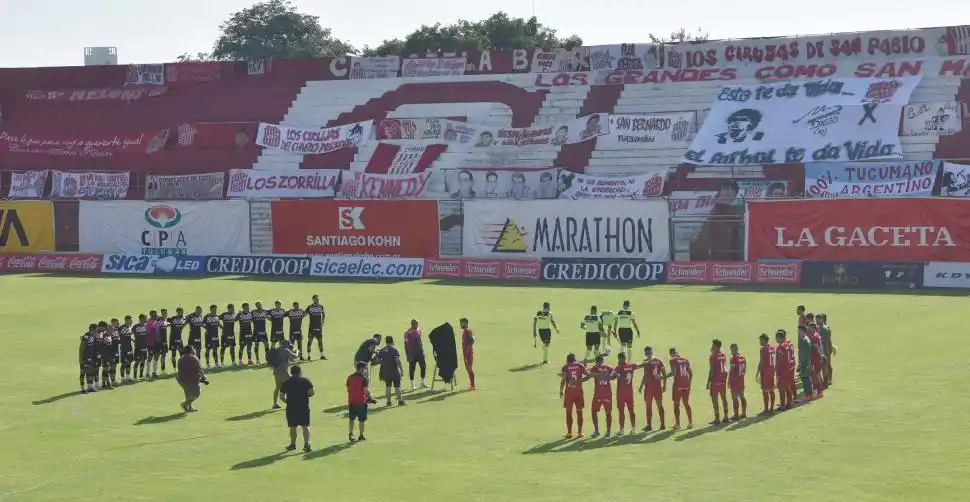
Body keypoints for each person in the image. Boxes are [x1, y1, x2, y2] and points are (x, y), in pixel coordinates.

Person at [280, 365, 314, 453]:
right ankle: (306, 444)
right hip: (303, 407)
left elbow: (282, 396)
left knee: (292, 427)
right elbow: (312, 392)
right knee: (305, 426)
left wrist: (286, 401)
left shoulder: (286, 382)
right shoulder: (305, 381)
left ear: (291, 372)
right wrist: (306, 396)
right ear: (300, 372)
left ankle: (293, 444)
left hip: (291, 408)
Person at [559, 353, 590, 438]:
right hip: (579, 392)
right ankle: (580, 432)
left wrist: (560, 390)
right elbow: (588, 375)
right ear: (575, 359)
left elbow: (563, 380)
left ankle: (569, 433)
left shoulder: (565, 367)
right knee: (579, 412)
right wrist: (580, 381)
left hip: (569, 393)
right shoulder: (580, 366)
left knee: (569, 413)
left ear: (567, 360)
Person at [639, 346, 667, 431]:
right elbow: (664, 373)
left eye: (649, 353)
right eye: (647, 353)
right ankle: (660, 424)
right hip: (655, 387)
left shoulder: (646, 362)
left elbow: (646, 375)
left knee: (651, 406)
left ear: (651, 352)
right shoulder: (658, 361)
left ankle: (652, 425)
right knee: (656, 406)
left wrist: (664, 385)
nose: (648, 354)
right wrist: (641, 386)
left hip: (650, 388)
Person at [589, 355, 614, 437]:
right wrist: (609, 377)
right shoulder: (607, 367)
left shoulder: (595, 367)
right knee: (608, 412)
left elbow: (590, 374)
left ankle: (596, 431)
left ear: (596, 361)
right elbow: (614, 373)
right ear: (602, 360)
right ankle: (608, 431)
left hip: (598, 394)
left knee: (594, 411)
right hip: (607, 393)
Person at [668, 348, 693, 429]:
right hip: (686, 385)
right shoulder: (685, 360)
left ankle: (678, 424)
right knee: (686, 403)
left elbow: (673, 373)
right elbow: (690, 373)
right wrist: (689, 383)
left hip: (677, 386)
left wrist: (661, 377)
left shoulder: (672, 360)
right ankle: (690, 423)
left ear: (671, 354)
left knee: (676, 405)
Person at [613, 352, 638, 434]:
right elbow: (639, 365)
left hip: (621, 393)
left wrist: (616, 375)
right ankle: (633, 428)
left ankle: (622, 429)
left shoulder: (619, 367)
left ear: (620, 358)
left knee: (621, 411)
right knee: (631, 410)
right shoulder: (631, 365)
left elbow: (612, 376)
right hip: (629, 392)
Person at [346, 362, 372, 442]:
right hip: (361, 402)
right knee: (361, 420)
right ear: (361, 369)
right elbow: (365, 391)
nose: (365, 371)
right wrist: (369, 396)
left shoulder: (350, 377)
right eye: (365, 369)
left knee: (351, 419)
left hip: (352, 402)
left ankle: (351, 434)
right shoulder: (363, 379)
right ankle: (361, 435)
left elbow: (348, 389)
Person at [177, 346, 207, 412]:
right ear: (191, 350)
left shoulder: (180, 359)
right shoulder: (194, 358)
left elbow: (179, 369)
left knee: (188, 392)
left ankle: (189, 407)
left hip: (181, 380)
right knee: (197, 393)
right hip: (192, 379)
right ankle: (184, 404)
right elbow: (200, 369)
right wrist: (203, 377)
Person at [378, 336, 405, 406]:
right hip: (394, 371)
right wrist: (401, 370)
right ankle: (400, 401)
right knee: (397, 387)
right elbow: (397, 361)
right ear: (392, 341)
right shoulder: (394, 350)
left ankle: (388, 402)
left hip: (385, 372)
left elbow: (377, 360)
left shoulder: (382, 350)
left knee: (388, 386)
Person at [707, 339, 729, 424]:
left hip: (715, 380)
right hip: (723, 379)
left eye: (713, 345)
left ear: (716, 346)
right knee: (724, 398)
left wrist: (709, 382)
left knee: (714, 398)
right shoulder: (723, 355)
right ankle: (726, 416)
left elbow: (712, 370)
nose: (712, 346)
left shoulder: (713, 356)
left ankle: (717, 418)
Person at [272, 340, 299, 409]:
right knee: (291, 386)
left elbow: (288, 359)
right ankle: (290, 402)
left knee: (277, 387)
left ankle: (275, 404)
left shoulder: (277, 350)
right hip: (283, 372)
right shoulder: (286, 350)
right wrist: (297, 351)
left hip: (276, 372)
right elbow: (295, 357)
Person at [775, 329, 797, 410]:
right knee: (787, 387)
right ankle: (789, 402)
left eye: (776, 337)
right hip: (788, 369)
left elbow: (781, 360)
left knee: (781, 388)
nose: (776, 339)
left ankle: (782, 405)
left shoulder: (780, 347)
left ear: (780, 338)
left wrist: (777, 370)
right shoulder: (788, 345)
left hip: (782, 370)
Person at [755, 334, 776, 414]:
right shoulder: (772, 349)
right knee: (771, 390)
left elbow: (762, 361)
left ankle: (766, 409)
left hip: (765, 372)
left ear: (764, 340)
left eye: (760, 340)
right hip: (771, 371)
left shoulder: (763, 349)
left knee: (765, 391)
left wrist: (758, 371)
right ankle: (771, 408)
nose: (759, 341)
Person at [403, 319, 427, 389]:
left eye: (417, 324)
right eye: (416, 324)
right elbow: (405, 344)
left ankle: (422, 382)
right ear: (412, 324)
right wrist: (407, 355)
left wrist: (422, 350)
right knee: (412, 368)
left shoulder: (418, 330)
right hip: (412, 353)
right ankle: (412, 384)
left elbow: (420, 340)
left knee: (423, 366)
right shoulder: (407, 333)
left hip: (420, 352)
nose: (417, 325)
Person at [728, 343, 747, 421]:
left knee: (734, 398)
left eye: (732, 349)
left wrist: (729, 380)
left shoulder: (733, 359)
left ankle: (736, 415)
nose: (731, 351)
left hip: (734, 381)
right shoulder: (743, 358)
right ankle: (744, 413)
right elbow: (745, 368)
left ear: (735, 349)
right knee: (742, 397)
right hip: (741, 380)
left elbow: (732, 370)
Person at [796, 325, 816, 400]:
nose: (798, 333)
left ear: (803, 331)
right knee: (805, 377)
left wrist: (802, 364)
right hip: (805, 361)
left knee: (805, 378)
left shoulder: (804, 340)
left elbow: (805, 353)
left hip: (805, 362)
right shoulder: (805, 339)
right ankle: (808, 394)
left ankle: (809, 394)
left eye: (799, 331)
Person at [79, 324, 99, 393]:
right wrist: (81, 360)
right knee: (83, 373)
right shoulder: (86, 337)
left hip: (90, 358)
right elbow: (81, 349)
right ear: (92, 330)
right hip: (84, 359)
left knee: (90, 373)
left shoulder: (92, 336)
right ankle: (82, 389)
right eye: (96, 329)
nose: (97, 331)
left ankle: (90, 387)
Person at [807, 320, 825, 397]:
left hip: (816, 358)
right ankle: (818, 390)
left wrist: (820, 355)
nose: (808, 328)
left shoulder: (814, 336)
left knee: (816, 375)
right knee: (816, 375)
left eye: (809, 327)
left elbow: (817, 347)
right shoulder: (815, 334)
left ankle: (819, 391)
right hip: (815, 357)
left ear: (813, 328)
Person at [306, 295, 326, 360]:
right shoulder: (309, 307)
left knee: (320, 341)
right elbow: (305, 314)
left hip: (319, 327)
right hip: (312, 327)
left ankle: (322, 355)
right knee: (310, 341)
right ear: (313, 299)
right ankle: (309, 356)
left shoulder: (321, 307)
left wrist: (322, 322)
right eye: (316, 299)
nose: (317, 300)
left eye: (318, 299)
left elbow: (323, 314)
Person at [97, 325, 116, 390]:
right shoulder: (105, 337)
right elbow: (102, 347)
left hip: (108, 356)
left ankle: (103, 384)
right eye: (112, 330)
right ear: (108, 329)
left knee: (105, 370)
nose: (113, 331)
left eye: (113, 330)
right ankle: (108, 384)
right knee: (106, 370)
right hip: (105, 356)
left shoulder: (109, 336)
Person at [818, 314, 834, 388]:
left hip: (825, 350)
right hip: (825, 349)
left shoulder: (825, 328)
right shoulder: (822, 327)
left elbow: (826, 341)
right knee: (826, 366)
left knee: (826, 366)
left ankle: (828, 381)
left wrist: (830, 348)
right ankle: (827, 380)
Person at [146, 310, 162, 379]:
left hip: (158, 342)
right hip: (151, 342)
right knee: (150, 357)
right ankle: (147, 373)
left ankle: (154, 373)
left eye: (155, 315)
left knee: (156, 357)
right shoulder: (149, 323)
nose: (154, 316)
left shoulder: (158, 321)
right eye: (153, 315)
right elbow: (147, 332)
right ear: (150, 315)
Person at [460, 317, 475, 391]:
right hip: (466, 353)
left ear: (465, 323)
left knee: (469, 369)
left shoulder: (467, 331)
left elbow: (471, 341)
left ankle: (473, 385)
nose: (460, 324)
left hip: (468, 354)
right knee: (468, 369)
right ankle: (472, 385)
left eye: (462, 323)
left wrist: (467, 352)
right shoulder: (466, 331)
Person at [133, 314, 149, 380]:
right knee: (137, 362)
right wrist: (133, 340)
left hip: (144, 347)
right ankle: (135, 377)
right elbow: (129, 334)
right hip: (138, 348)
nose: (146, 319)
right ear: (141, 319)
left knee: (143, 361)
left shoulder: (146, 326)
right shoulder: (135, 327)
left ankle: (141, 376)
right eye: (145, 318)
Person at [118, 316, 134, 384]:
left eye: (131, 320)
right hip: (124, 348)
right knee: (124, 363)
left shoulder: (129, 328)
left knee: (129, 362)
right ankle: (122, 379)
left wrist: (133, 340)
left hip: (129, 347)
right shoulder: (121, 328)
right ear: (126, 320)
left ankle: (128, 377)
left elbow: (128, 336)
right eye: (129, 320)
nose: (131, 321)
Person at [157, 309, 170, 374]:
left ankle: (163, 369)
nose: (166, 314)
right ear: (161, 313)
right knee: (158, 355)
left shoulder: (165, 320)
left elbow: (165, 325)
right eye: (165, 313)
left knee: (164, 355)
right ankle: (157, 370)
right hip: (160, 341)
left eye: (166, 313)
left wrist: (169, 324)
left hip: (165, 340)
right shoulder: (158, 320)